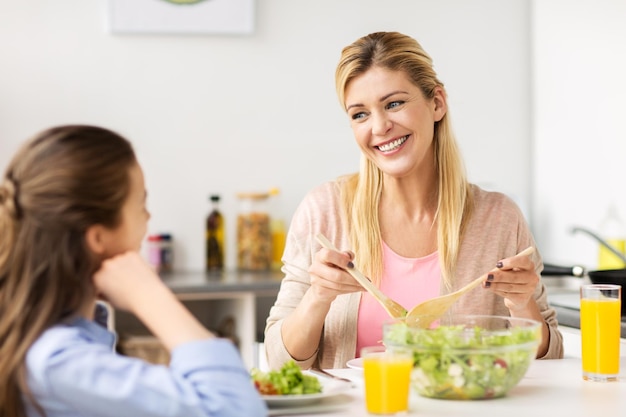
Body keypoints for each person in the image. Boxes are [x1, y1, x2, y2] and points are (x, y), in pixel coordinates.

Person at [264, 31, 563, 370]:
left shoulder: (498, 218)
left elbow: (548, 357)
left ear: (437, 103)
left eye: (394, 104)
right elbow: (277, 361)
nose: (379, 126)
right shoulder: (325, 211)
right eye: (360, 114)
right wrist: (319, 297)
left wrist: (522, 303)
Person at [0, 125, 267, 417]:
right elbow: (235, 409)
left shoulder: (57, 344)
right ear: (98, 238)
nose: (148, 216)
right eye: (141, 203)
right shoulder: (56, 363)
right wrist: (151, 297)